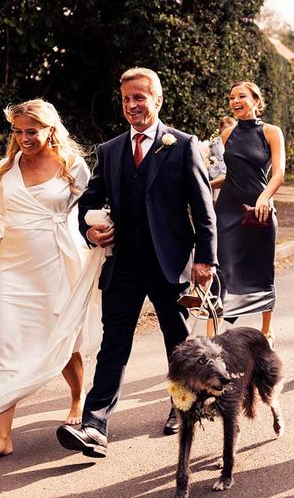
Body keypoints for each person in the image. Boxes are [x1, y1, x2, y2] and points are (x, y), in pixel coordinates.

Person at [56, 67, 216, 458]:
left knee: (178, 344)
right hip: (123, 265)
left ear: (157, 100)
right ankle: (94, 425)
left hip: (171, 264)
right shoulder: (110, 150)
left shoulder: (182, 144)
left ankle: (184, 406)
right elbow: (89, 203)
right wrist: (90, 231)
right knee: (114, 345)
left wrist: (205, 259)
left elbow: (204, 207)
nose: (132, 105)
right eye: (126, 99)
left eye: (139, 97)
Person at [0, 100, 91, 457]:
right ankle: (4, 436)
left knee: (63, 339)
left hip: (56, 264)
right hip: (11, 266)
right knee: (7, 344)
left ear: (50, 130)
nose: (24, 138)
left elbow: (92, 213)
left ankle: (77, 397)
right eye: (18, 131)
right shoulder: (5, 168)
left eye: (31, 131)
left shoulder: (72, 167)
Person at [211, 82, 285, 347]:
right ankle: (214, 336)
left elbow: (279, 173)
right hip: (227, 210)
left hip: (258, 210)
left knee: (262, 267)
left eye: (241, 96)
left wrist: (265, 197)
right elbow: (230, 174)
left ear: (256, 100)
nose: (235, 101)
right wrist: (203, 184)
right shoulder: (226, 134)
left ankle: (266, 331)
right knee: (220, 269)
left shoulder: (271, 132)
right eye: (231, 97)